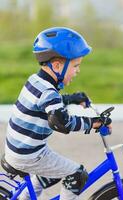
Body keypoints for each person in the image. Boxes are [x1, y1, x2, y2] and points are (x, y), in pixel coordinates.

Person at [4, 27, 112, 200]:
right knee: (77, 175)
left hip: (21, 149)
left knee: (51, 172)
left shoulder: (36, 80)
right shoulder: (49, 92)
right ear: (57, 66)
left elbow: (49, 103)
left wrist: (72, 98)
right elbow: (62, 122)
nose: (78, 71)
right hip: (29, 155)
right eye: (76, 65)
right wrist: (94, 123)